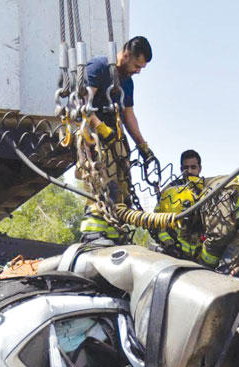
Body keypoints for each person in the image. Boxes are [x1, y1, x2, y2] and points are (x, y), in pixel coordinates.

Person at [79, 36, 154, 243]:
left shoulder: (127, 82)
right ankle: (92, 232)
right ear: (126, 54)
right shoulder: (100, 68)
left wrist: (143, 145)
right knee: (102, 181)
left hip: (114, 134)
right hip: (93, 134)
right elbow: (83, 103)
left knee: (122, 186)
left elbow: (128, 115)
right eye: (137, 65)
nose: (138, 71)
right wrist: (100, 127)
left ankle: (114, 233)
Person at [155, 157, 239, 271]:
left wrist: (204, 267)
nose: (189, 171)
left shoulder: (211, 199)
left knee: (223, 270)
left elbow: (218, 237)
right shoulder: (186, 191)